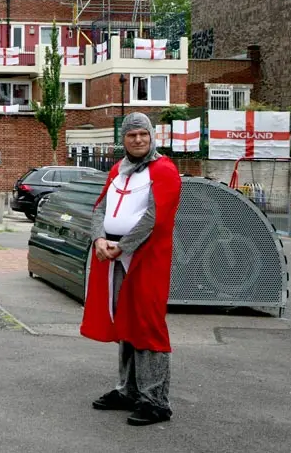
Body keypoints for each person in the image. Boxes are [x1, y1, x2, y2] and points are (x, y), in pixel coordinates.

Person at [80, 112, 182, 427]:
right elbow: (100, 207)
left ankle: (155, 401)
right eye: (131, 135)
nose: (138, 140)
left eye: (143, 135)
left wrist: (122, 245)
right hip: (115, 258)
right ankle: (128, 390)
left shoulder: (164, 170)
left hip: (145, 259)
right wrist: (98, 238)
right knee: (124, 321)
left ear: (152, 137)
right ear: (123, 140)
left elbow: (154, 218)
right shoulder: (117, 170)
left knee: (147, 323)